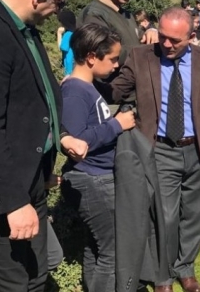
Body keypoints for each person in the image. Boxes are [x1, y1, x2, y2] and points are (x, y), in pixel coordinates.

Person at [0, 0, 88, 292]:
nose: (58, 11)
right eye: (59, 2)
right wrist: (12, 201)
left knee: (37, 278)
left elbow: (35, 99)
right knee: (9, 284)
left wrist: (60, 134)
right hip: (0, 199)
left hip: (32, 183)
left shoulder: (23, 28)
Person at [100, 7, 200, 292]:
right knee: (165, 215)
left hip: (197, 149)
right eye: (163, 37)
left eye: (175, 40)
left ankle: (186, 268)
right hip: (160, 148)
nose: (166, 44)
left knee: (193, 214)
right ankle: (163, 275)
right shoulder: (141, 56)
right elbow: (117, 90)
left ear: (192, 37)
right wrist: (86, 77)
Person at [60, 24, 136, 292]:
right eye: (113, 59)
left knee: (97, 247)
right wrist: (117, 125)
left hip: (98, 177)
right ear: (92, 57)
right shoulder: (75, 92)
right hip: (92, 179)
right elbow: (76, 140)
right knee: (111, 251)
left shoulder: (87, 88)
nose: (116, 66)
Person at [78, 0, 158, 72]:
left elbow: (141, 36)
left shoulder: (127, 14)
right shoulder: (94, 15)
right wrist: (145, 50)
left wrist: (151, 30)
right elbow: (104, 55)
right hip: (109, 88)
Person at [57, 8, 77, 76]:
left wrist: (59, 34)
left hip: (69, 70)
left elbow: (62, 48)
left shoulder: (68, 34)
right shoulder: (76, 33)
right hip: (76, 68)